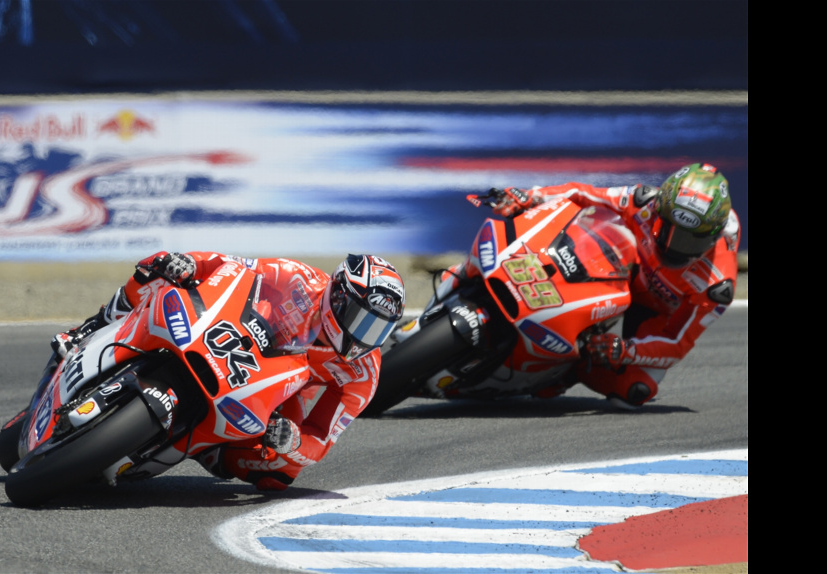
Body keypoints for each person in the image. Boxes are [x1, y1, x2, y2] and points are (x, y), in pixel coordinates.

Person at [397, 162, 740, 410]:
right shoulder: (644, 201)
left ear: (710, 237)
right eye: (669, 228)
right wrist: (528, 197)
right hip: (618, 262)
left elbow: (677, 343)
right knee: (522, 243)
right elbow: (581, 194)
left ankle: (558, 372)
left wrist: (626, 350)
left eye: (689, 240)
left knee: (635, 390)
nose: (674, 245)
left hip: (653, 309)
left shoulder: (715, 285)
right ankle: (456, 283)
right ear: (661, 209)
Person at [53, 251, 406, 490]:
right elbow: (231, 265)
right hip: (233, 331)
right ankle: (91, 326)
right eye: (362, 321)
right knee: (162, 268)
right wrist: (188, 263)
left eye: (377, 330)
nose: (364, 338)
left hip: (279, 388)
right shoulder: (297, 276)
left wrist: (293, 441)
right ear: (340, 297)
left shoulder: (362, 372)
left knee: (282, 474)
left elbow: (321, 439)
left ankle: (213, 447)